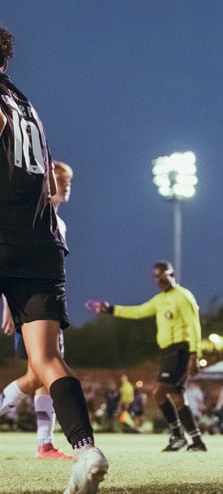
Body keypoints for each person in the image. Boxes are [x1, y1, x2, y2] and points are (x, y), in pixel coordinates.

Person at [0, 25, 108, 493]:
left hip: (4, 235)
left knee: (41, 360)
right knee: (45, 360)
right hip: (41, 242)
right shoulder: (26, 104)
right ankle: (87, 450)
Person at [85, 261, 207, 452]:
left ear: (171, 274)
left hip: (181, 350)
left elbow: (194, 326)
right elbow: (138, 312)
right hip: (168, 351)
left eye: (162, 275)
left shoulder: (183, 296)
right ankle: (197, 441)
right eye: (156, 277)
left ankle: (177, 435)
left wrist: (194, 354)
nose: (159, 280)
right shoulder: (159, 300)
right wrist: (110, 309)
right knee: (177, 396)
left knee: (159, 393)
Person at [1, 160, 75, 459]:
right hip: (31, 306)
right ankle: (45, 443)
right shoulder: (32, 219)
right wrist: (7, 305)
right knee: (40, 374)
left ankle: (45, 444)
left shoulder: (59, 223)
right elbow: (15, 265)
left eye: (69, 182)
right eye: (62, 180)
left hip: (48, 303)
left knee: (42, 375)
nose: (67, 186)